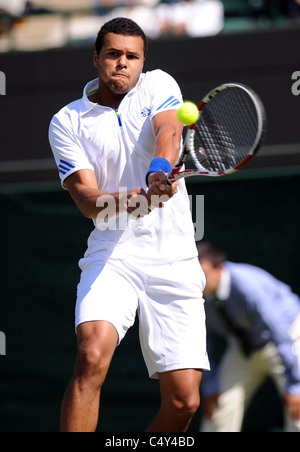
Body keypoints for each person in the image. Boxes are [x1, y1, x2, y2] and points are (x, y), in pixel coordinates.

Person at [49, 17, 209, 432]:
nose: (123, 64)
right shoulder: (67, 121)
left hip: (173, 256)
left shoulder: (159, 85)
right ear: (97, 58)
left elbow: (170, 131)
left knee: (185, 402)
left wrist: (159, 170)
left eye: (132, 56)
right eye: (114, 55)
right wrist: (138, 198)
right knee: (90, 356)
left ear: (142, 61)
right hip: (113, 253)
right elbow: (87, 201)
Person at [197, 241, 300, 432]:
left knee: (298, 414)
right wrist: (211, 385)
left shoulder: (247, 284)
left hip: (289, 337)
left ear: (219, 268)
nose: (198, 280)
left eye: (203, 274)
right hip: (245, 347)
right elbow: (201, 341)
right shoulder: (196, 295)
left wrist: (296, 385)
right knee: (219, 410)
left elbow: (279, 331)